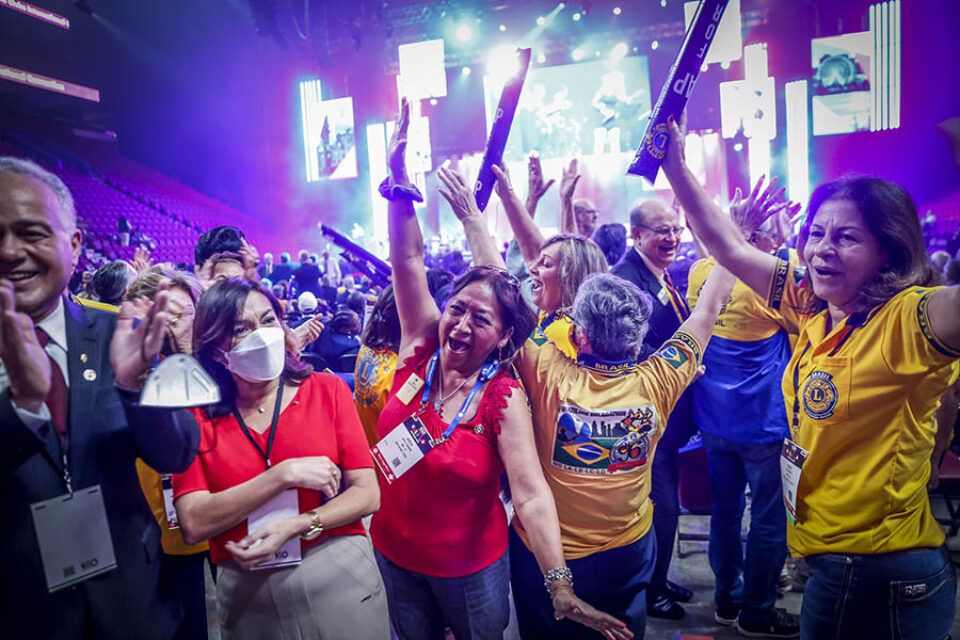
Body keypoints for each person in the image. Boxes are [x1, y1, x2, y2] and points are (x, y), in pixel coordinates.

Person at [662, 112, 960, 639]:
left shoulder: (907, 320)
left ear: (888, 251)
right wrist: (675, 166)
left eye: (846, 237)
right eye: (817, 233)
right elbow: (730, 249)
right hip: (831, 562)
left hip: (878, 573)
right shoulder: (813, 305)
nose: (823, 248)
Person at [372, 97, 629, 640]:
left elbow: (531, 493)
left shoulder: (503, 397)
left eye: (480, 320)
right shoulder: (420, 346)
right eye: (457, 310)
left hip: (469, 573)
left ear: (504, 337)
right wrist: (397, 180)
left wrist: (559, 584)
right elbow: (408, 262)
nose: (461, 327)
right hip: (394, 554)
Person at [0, 156, 200, 638]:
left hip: (136, 607)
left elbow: (177, 451)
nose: (10, 251)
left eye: (31, 233)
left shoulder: (120, 333)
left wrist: (135, 389)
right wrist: (23, 411)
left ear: (73, 245)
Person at [511, 269, 734, 639]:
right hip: (627, 553)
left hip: (547, 554)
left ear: (580, 334)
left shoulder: (547, 372)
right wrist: (733, 245)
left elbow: (510, 299)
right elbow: (708, 309)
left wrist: (474, 219)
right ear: (637, 336)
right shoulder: (661, 378)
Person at [172, 278, 389, 639]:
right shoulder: (196, 417)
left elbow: (367, 493)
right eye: (242, 329)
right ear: (215, 351)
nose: (261, 334)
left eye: (269, 320)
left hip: (337, 571)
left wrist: (302, 523)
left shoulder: (327, 389)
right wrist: (282, 476)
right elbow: (193, 522)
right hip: (248, 592)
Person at [685, 176, 801, 637]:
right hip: (765, 428)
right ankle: (757, 611)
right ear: (761, 238)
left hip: (714, 423)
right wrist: (786, 246)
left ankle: (726, 603)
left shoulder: (699, 274)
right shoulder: (775, 281)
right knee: (770, 523)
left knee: (726, 514)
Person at [609, 198, 696, 618]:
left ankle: (659, 579)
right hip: (647, 416)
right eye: (662, 230)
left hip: (671, 420)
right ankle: (651, 591)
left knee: (666, 502)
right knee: (659, 506)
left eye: (676, 230)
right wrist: (676, 368)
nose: (672, 238)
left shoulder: (658, 275)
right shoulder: (625, 279)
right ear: (637, 234)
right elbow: (630, 348)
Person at [125, 264, 212, 640]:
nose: (173, 325)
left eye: (182, 315)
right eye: (163, 316)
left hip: (218, 514)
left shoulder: (213, 369)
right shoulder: (128, 370)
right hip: (154, 526)